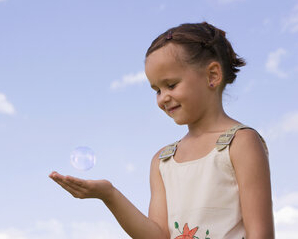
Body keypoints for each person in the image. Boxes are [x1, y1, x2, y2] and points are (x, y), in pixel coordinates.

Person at [49, 22, 274, 239]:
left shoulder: (240, 142)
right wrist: (109, 195)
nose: (163, 98)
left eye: (171, 85)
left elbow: (260, 234)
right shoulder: (162, 161)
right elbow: (158, 236)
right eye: (157, 90)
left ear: (212, 75)